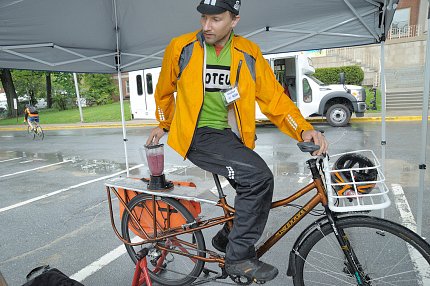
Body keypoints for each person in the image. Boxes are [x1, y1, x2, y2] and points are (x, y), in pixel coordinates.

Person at [146, 0, 328, 282]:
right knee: (259, 178)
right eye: (204, 18)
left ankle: (226, 237)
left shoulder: (248, 53)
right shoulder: (182, 47)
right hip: (198, 134)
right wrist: (163, 122)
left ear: (234, 20)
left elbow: (274, 99)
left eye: (216, 19)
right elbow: (163, 91)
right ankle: (238, 258)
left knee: (254, 189)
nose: (206, 26)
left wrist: (302, 130)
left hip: (230, 136)